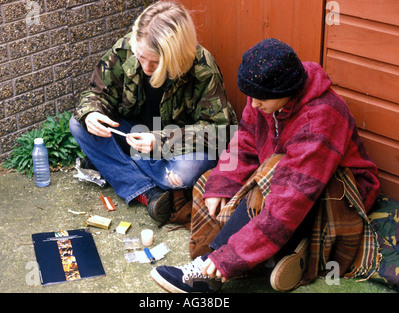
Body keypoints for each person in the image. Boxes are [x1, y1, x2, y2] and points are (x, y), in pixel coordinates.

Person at [150, 38, 381, 292]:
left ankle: (209, 273)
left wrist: (228, 260)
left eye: (260, 99)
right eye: (251, 96)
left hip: (338, 193)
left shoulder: (320, 120)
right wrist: (221, 185)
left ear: (287, 92)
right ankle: (281, 251)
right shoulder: (264, 93)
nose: (253, 104)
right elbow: (245, 141)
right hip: (286, 176)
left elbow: (289, 201)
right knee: (210, 183)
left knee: (271, 178)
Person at [70, 1, 237, 223]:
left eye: (156, 63)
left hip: (177, 147)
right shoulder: (126, 48)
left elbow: (219, 131)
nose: (146, 68)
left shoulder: (202, 68)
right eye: (141, 57)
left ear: (175, 56)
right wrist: (91, 113)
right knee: (78, 124)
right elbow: (97, 94)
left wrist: (160, 140)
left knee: (180, 176)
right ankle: (146, 192)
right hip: (134, 134)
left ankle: (112, 164)